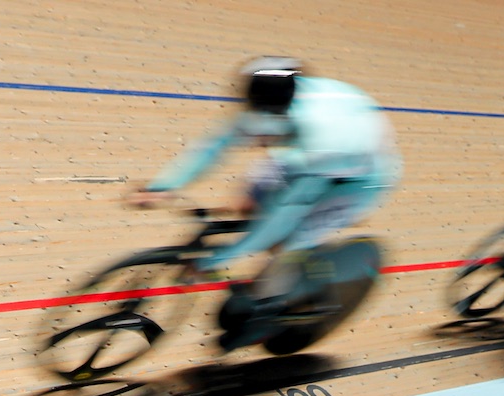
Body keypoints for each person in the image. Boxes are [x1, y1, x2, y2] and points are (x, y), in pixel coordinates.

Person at [130, 58, 398, 326]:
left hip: (356, 180)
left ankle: (279, 303)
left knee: (287, 239)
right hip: (314, 147)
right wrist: (162, 186)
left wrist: (214, 260)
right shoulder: (274, 95)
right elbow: (215, 147)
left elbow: (276, 221)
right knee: (251, 201)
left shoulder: (321, 137)